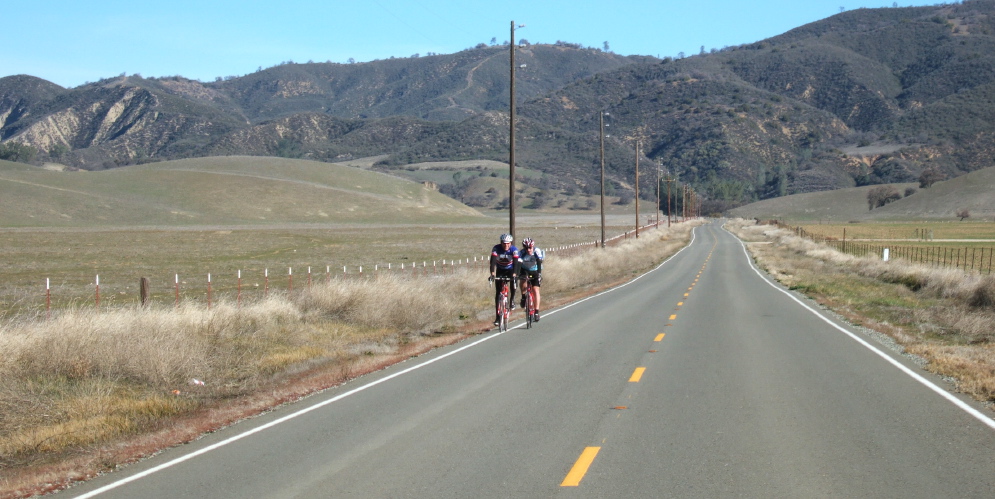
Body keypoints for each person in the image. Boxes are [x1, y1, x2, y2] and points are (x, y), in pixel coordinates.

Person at [489, 233, 519, 325]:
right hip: (500, 270)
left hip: (510, 270)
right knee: (498, 293)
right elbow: (493, 262)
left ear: (511, 243)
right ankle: (498, 318)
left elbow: (516, 263)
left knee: (514, 283)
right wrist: (492, 274)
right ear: (501, 243)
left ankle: (512, 300)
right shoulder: (496, 248)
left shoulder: (514, 250)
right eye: (504, 243)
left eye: (508, 243)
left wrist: (514, 274)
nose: (506, 245)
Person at [517, 237, 544, 322]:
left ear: (533, 246)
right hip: (525, 270)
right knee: (522, 280)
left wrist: (539, 274)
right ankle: (523, 297)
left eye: (530, 248)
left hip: (535, 271)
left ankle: (536, 311)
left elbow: (539, 262)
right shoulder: (521, 253)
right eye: (526, 248)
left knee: (536, 289)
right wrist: (516, 275)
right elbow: (518, 264)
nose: (528, 250)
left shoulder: (537, 251)